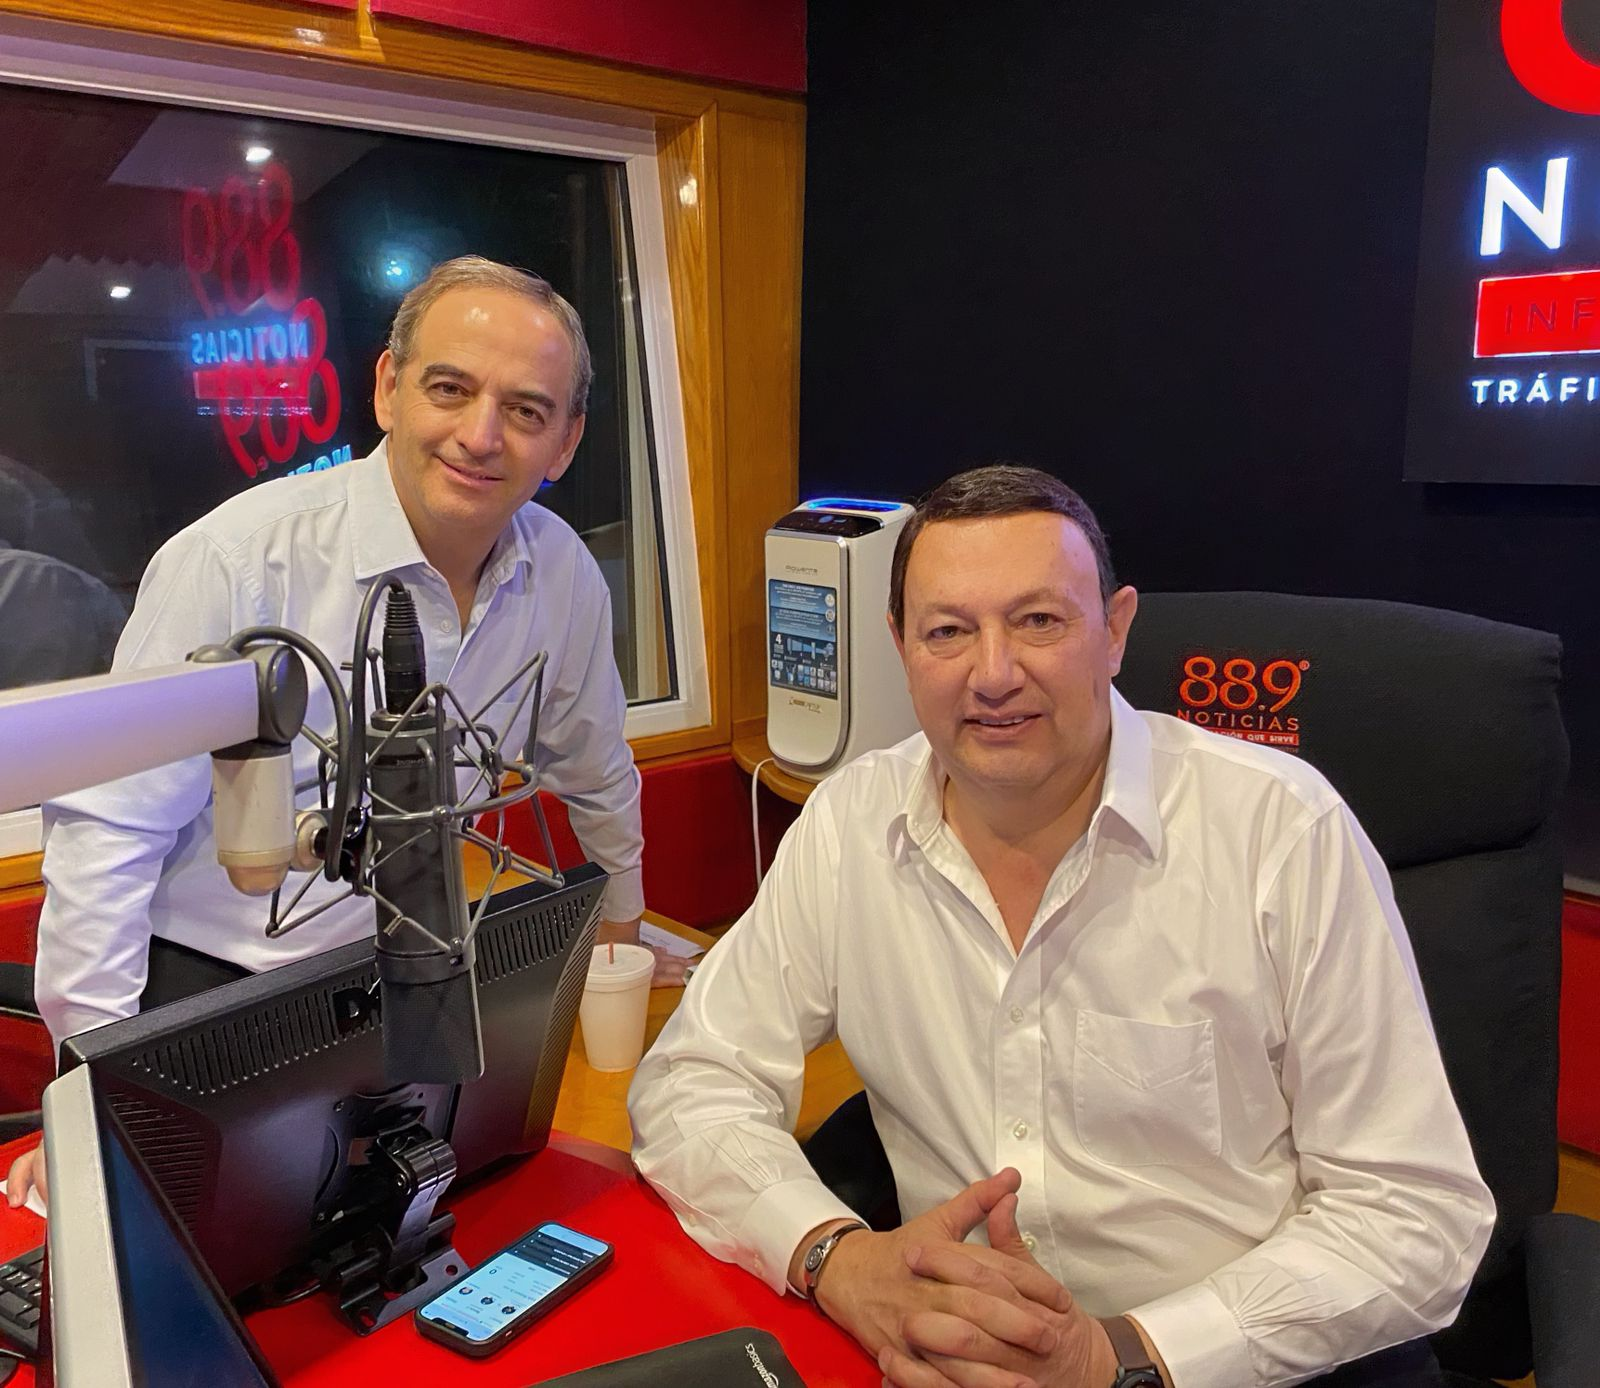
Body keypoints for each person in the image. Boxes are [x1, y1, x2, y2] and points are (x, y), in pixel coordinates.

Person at [628, 465, 1493, 1388]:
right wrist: (836, 1256)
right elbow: (692, 1081)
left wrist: (1115, 1357)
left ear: (1115, 631)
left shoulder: (1280, 833)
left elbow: (1416, 1214)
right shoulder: (850, 823)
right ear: (899, 645)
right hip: (949, 1359)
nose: (994, 674)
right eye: (948, 631)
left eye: (1039, 621)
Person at [10, 256, 656, 1208]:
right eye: (450, 389)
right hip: (214, 991)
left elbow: (594, 765)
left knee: (465, 1217)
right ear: (389, 389)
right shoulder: (238, 561)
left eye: (526, 410)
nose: (481, 436)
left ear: (565, 442)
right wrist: (95, 1095)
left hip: (407, 973)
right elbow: (109, 834)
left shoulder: (561, 574)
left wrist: (622, 934)